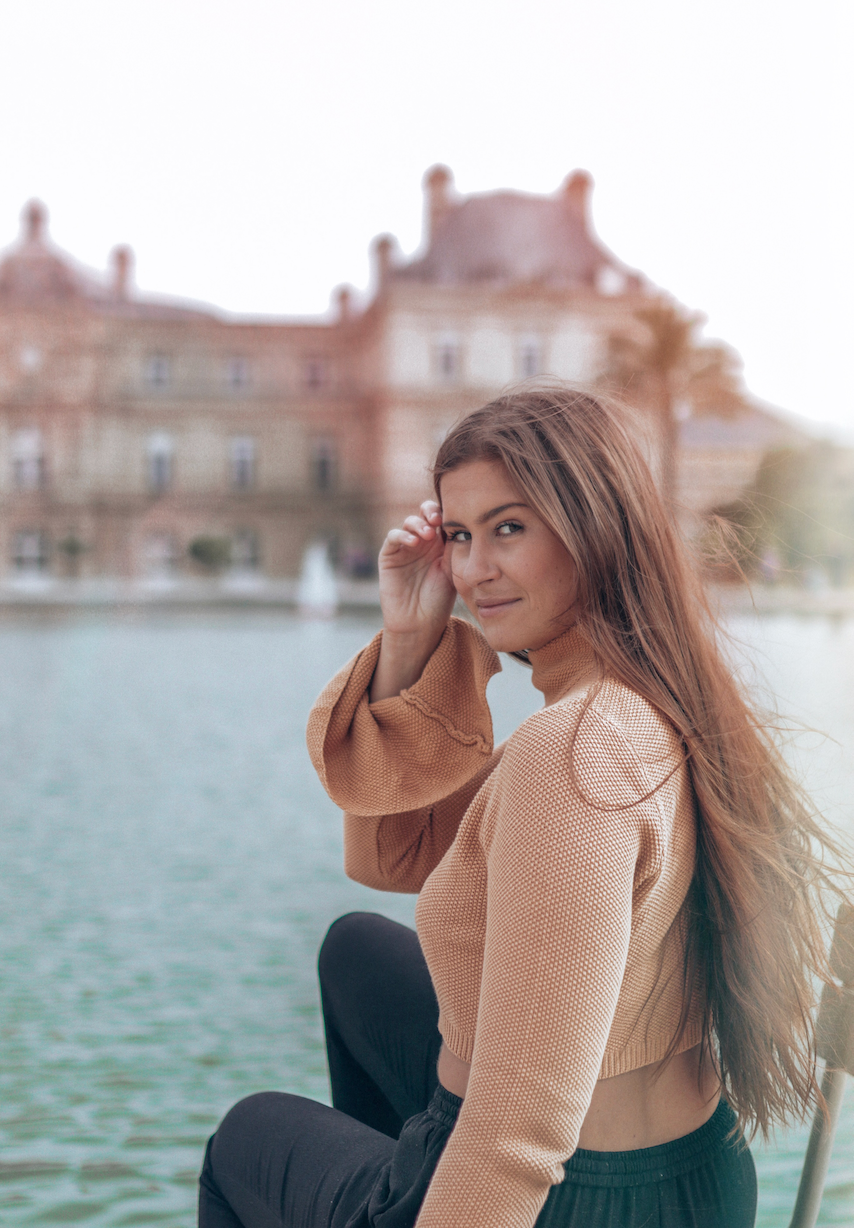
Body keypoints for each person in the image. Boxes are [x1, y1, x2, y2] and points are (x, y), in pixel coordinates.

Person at [199, 385, 848, 1228]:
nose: (472, 570)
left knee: (245, 1139)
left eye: (509, 528)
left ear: (593, 527)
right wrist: (409, 640)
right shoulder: (659, 694)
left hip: (574, 1199)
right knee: (352, 953)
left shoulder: (571, 754)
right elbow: (388, 860)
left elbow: (519, 1131)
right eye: (460, 536)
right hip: (691, 1175)